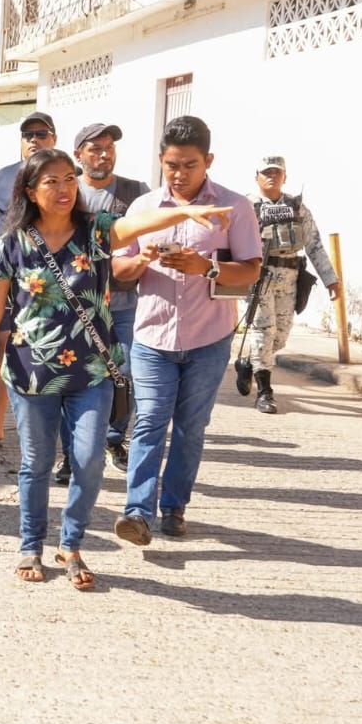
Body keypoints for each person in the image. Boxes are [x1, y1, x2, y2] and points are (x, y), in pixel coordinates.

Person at [0, 148, 233, 590]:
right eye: (52, 181)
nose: (64, 189)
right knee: (36, 462)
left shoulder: (96, 230)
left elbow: (138, 224)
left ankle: (71, 544)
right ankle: (31, 544)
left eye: (70, 179)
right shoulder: (12, 241)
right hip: (32, 372)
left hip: (92, 370)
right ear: (30, 190)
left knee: (88, 461)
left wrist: (186, 211)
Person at [114, 115, 263, 546]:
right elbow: (117, 268)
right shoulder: (143, 209)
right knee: (148, 422)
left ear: (208, 161)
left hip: (208, 340)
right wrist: (140, 261)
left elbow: (251, 271)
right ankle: (137, 512)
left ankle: (174, 507)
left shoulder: (235, 208)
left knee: (190, 428)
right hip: (151, 338)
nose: (179, 174)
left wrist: (206, 267)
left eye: (190, 165)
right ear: (161, 159)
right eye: (171, 165)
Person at [0, 111, 58, 451]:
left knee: (50, 349)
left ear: (54, 139)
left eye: (42, 133)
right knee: (4, 344)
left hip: (52, 282)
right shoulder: (3, 177)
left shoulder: (66, 179)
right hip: (5, 280)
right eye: (27, 134)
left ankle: (49, 429)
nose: (34, 139)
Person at [235, 155, 340, 414]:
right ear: (257, 177)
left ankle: (248, 362)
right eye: (266, 172)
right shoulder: (245, 206)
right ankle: (265, 392)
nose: (272, 176)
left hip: (290, 278)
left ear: (285, 176)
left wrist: (331, 279)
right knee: (264, 331)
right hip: (259, 278)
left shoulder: (297, 207)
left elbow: (314, 245)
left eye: (277, 172)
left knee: (280, 337)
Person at [73, 122, 150, 473]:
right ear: (79, 155)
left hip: (123, 303)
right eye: (95, 149)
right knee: (77, 376)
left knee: (126, 373)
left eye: (110, 148)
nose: (104, 155)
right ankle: (73, 451)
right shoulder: (67, 191)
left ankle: (114, 438)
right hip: (75, 305)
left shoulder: (137, 193)